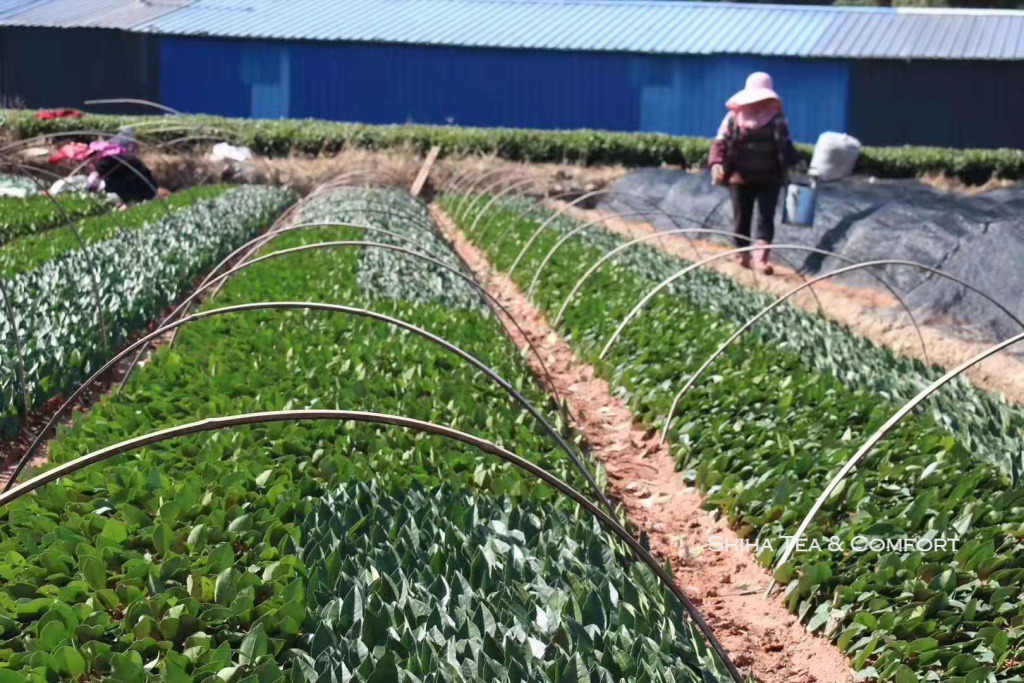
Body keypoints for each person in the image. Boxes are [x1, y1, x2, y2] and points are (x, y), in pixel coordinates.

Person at [709, 72, 800, 274]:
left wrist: (798, 162)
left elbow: (785, 145)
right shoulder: (734, 118)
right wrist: (716, 163)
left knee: (766, 218)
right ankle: (742, 255)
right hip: (740, 177)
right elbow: (720, 142)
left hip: (770, 177)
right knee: (742, 217)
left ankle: (761, 259)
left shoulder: (777, 119)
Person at [85, 129, 161, 205]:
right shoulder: (115, 151)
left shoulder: (107, 160)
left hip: (137, 183)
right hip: (141, 179)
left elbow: (102, 177)